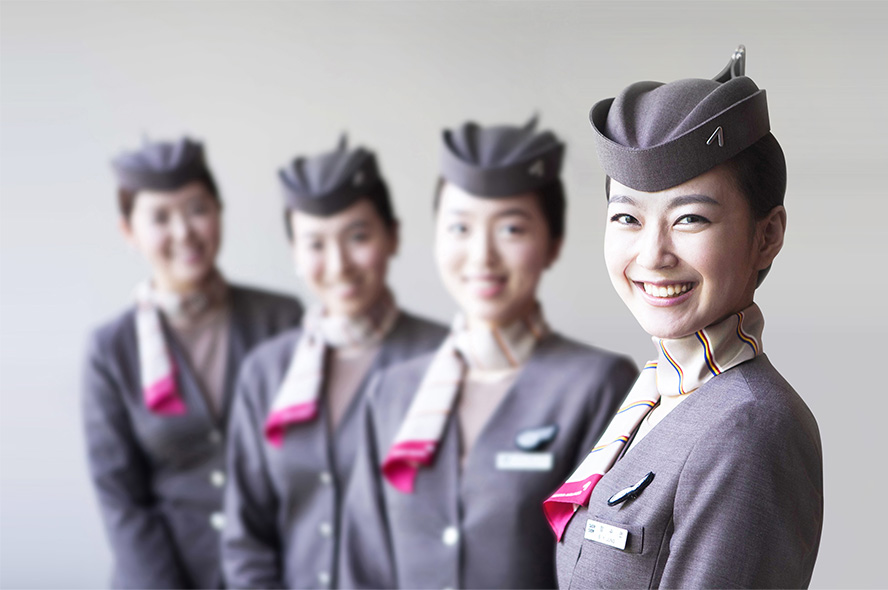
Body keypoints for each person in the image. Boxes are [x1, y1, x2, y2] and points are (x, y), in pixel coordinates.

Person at [545, 47, 823, 588]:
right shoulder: (656, 397)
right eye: (627, 217)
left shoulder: (750, 425)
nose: (653, 255)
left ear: (767, 236)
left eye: (690, 218)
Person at [338, 117, 638, 589]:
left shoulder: (598, 386)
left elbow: (600, 570)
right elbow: (361, 569)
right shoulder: (393, 392)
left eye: (512, 229)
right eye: (459, 227)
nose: (482, 256)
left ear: (552, 242)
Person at [221, 137, 447, 589]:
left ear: (393, 236)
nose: (339, 264)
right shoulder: (266, 371)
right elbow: (246, 537)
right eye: (315, 244)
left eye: (358, 236)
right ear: (295, 255)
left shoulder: (445, 357)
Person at [83, 136, 304, 589]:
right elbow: (122, 500)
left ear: (219, 211)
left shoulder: (281, 319)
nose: (184, 232)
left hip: (272, 571)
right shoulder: (111, 349)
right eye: (160, 217)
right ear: (129, 231)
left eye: (197, 209)